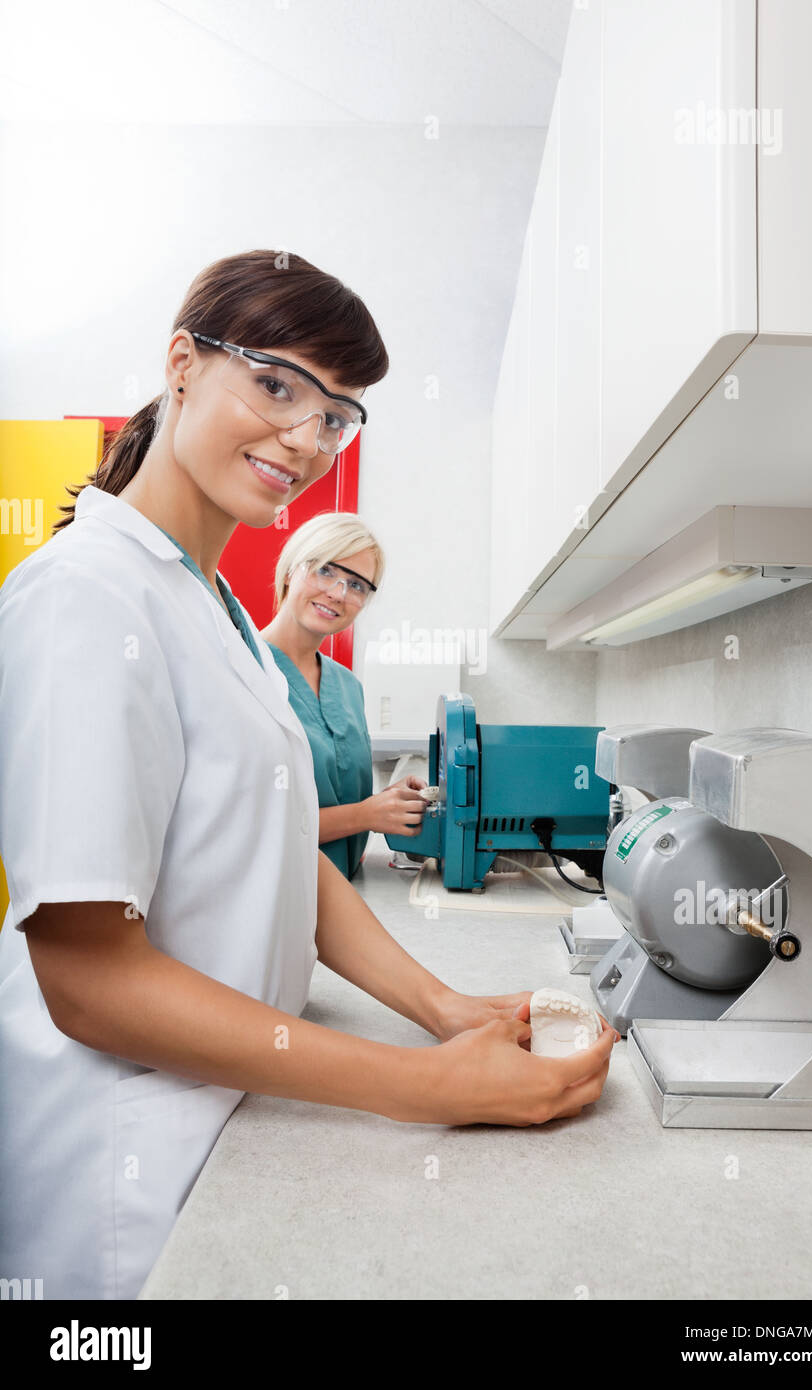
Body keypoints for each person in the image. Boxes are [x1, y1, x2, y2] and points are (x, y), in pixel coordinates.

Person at [0, 249, 618, 1301]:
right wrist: (423, 1086)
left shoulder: (215, 608)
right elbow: (89, 979)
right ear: (182, 365)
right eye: (279, 384)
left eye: (337, 414)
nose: (307, 438)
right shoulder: (88, 598)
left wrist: (443, 1007)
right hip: (124, 1170)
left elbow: (282, 849)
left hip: (233, 1110)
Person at [261, 512, 428, 880]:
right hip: (271, 901)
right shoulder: (244, 671)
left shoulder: (348, 686)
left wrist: (388, 804)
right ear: (291, 569)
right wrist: (367, 815)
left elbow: (341, 794)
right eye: (325, 570)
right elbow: (248, 824)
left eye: (357, 585)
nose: (338, 593)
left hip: (343, 892)